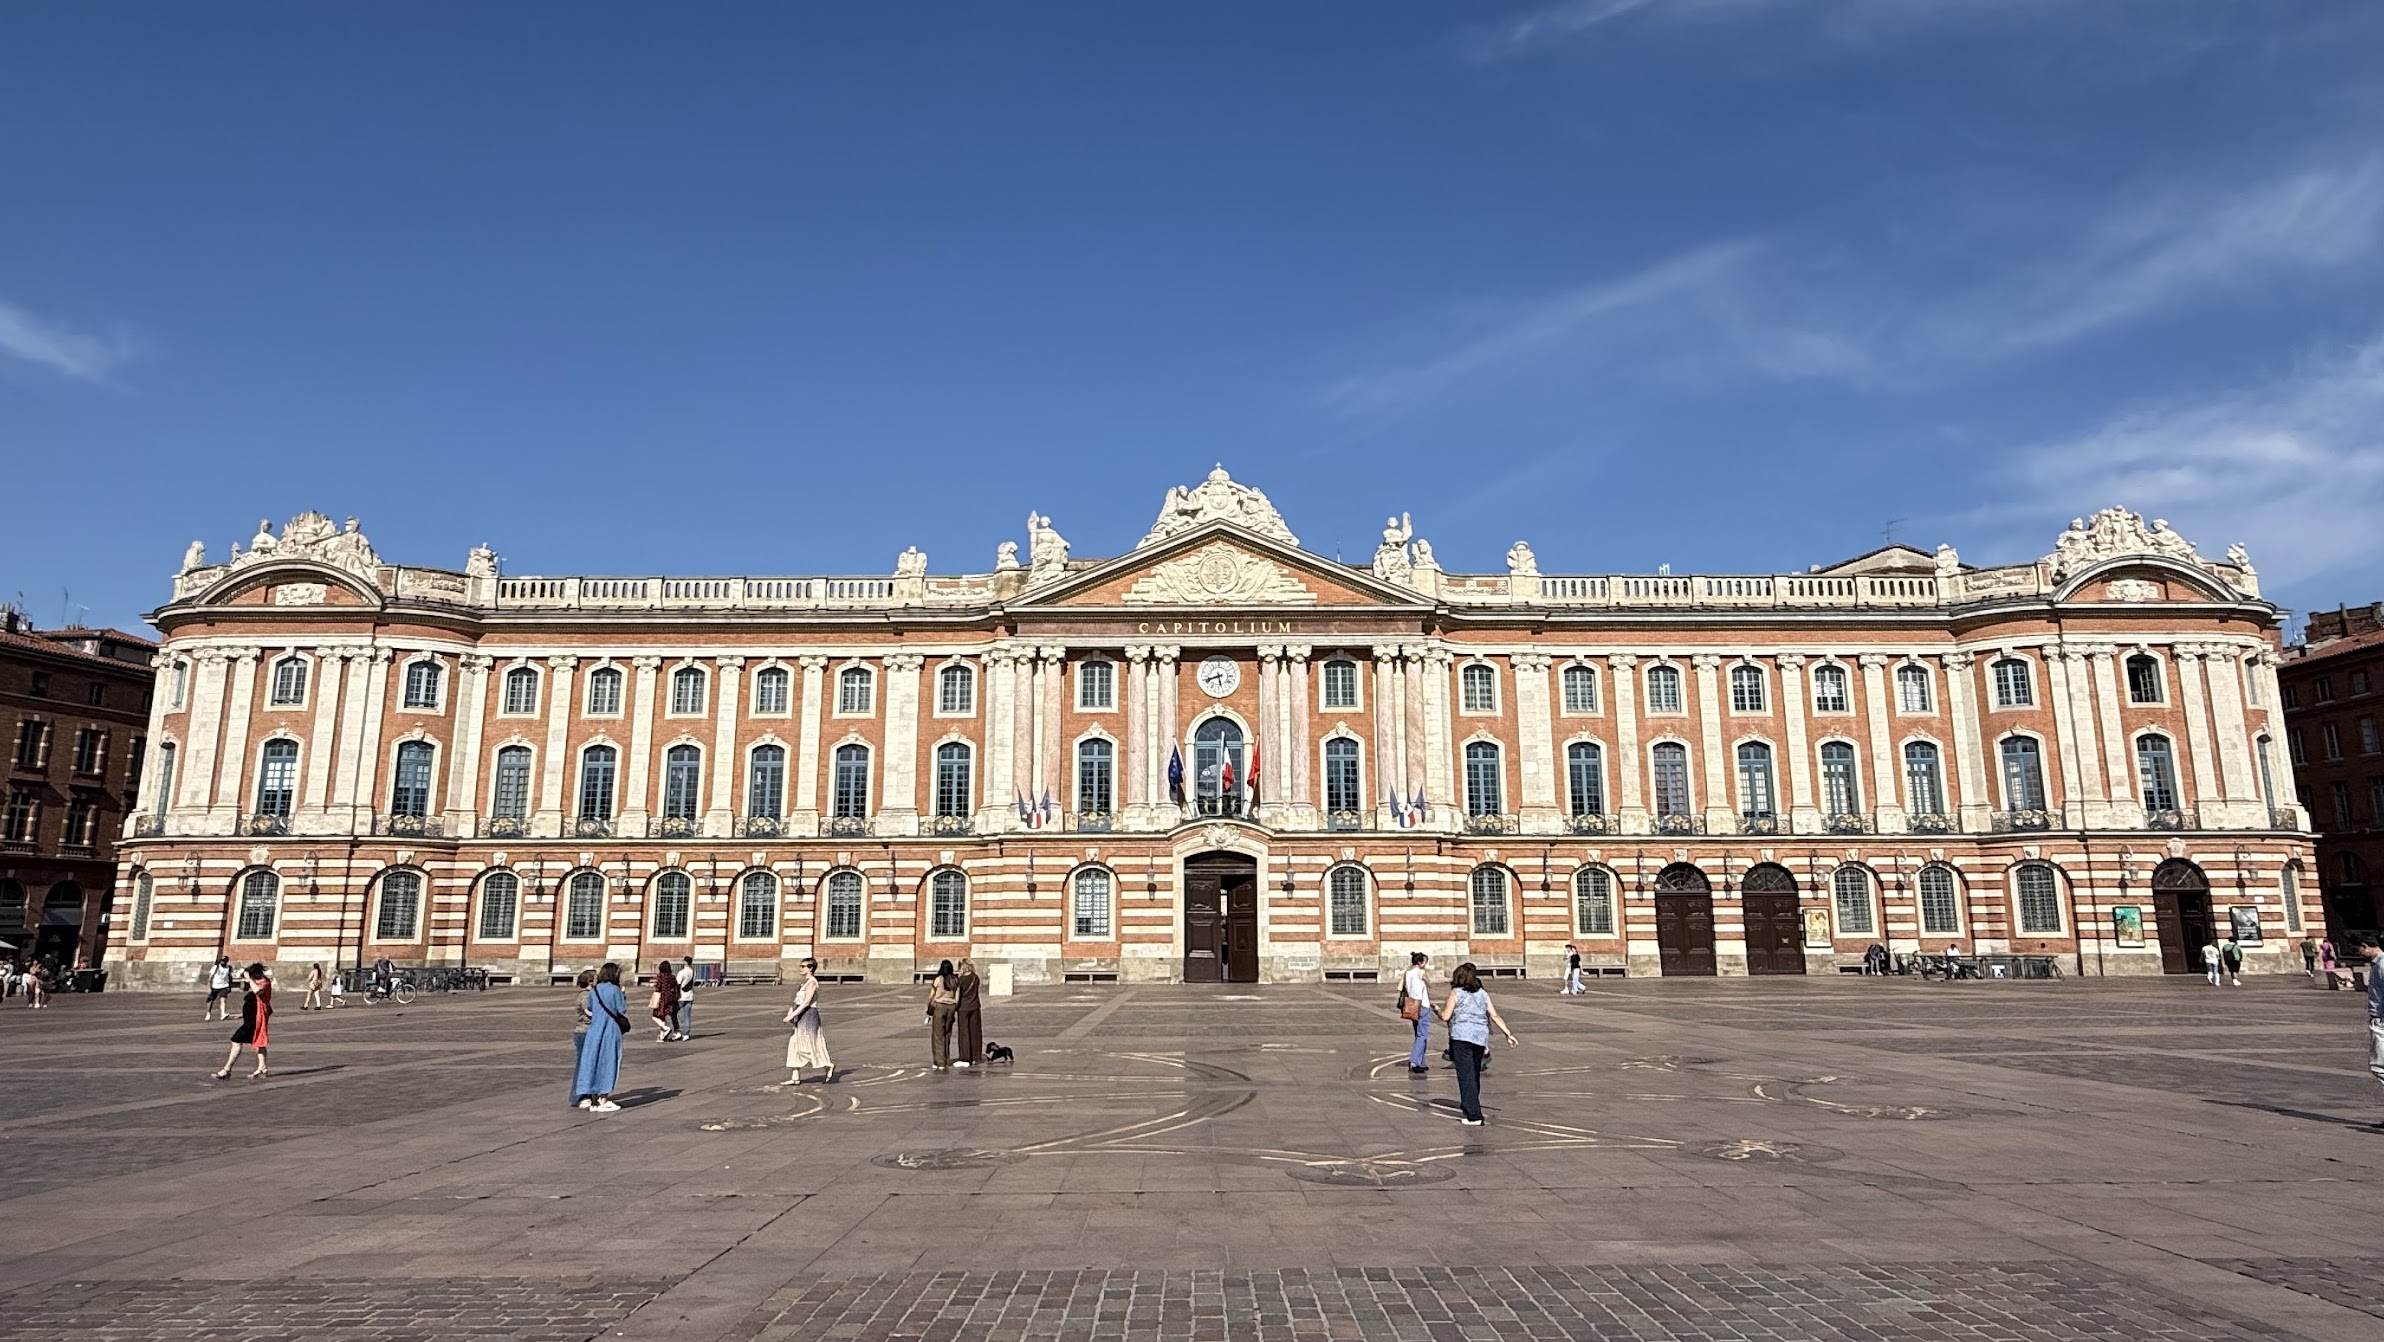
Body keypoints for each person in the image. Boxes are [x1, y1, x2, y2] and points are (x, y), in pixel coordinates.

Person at [1437, 962, 1519, 1127]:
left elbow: (1446, 1016)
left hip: (1461, 1037)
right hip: (1479, 1038)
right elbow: (1494, 1015)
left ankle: (1473, 1114)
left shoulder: (1456, 993)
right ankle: (1470, 1105)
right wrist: (1508, 1034)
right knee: (1473, 1074)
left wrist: (1436, 1010)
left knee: (1465, 1075)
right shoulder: (1483, 994)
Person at [573, 963, 630, 1112]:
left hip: (594, 1031)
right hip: (610, 1031)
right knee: (608, 1062)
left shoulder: (594, 991)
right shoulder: (615, 990)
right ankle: (603, 1099)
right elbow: (621, 1009)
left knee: (592, 1062)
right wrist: (623, 994)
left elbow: (591, 1008)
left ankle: (593, 1100)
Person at [213, 963, 272, 1079]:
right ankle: (262, 1068)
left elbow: (258, 992)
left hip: (256, 1019)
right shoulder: (258, 982)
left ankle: (227, 1070)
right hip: (251, 1018)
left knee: (236, 1040)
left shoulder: (263, 982)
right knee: (258, 1044)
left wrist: (250, 980)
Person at [783, 958, 834, 1084]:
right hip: (801, 1015)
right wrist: (792, 1010)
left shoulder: (812, 983)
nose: (801, 968)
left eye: (803, 966)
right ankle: (795, 1077)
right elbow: (798, 1001)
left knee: (807, 1045)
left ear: (810, 968)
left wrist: (792, 1015)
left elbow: (806, 1002)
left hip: (809, 1015)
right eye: (800, 966)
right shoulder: (804, 983)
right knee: (794, 1042)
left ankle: (827, 1065)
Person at [2360, 935, 2384, 1100]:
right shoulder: (2377, 965)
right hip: (2378, 1017)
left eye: (2359, 949)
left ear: (2365, 946)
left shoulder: (2382, 965)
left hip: (2381, 1020)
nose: (2359, 953)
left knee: (2379, 1065)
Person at [924, 959, 959, 1070]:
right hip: (951, 1007)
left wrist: (929, 1008)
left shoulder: (938, 980)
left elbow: (931, 996)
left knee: (938, 1035)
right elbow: (957, 997)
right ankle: (946, 1058)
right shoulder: (955, 980)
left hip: (940, 1006)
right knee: (947, 1034)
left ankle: (939, 1062)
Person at [1401, 952, 1433, 1074]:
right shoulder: (1420, 972)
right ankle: (1414, 1061)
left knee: (1418, 1034)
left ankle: (1421, 1061)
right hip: (1422, 1005)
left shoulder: (1407, 972)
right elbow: (1430, 984)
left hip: (1411, 1004)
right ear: (1420, 962)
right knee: (1422, 1035)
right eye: (1425, 962)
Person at [567, 968, 595, 1101]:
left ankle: (587, 1093)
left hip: (589, 1031)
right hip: (584, 1032)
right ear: (590, 981)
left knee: (588, 1063)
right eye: (596, 978)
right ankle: (578, 1096)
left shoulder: (591, 993)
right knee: (582, 1064)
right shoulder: (586, 995)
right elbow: (589, 1012)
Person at [954, 958, 984, 1068]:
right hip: (975, 1006)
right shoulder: (976, 978)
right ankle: (976, 1056)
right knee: (975, 1031)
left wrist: (954, 1007)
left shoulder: (960, 979)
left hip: (963, 1007)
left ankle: (965, 1057)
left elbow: (957, 995)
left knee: (964, 1033)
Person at [650, 960, 682, 1042]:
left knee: (656, 1015)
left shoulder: (661, 976)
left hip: (662, 998)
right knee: (663, 1016)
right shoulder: (672, 976)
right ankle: (661, 1036)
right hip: (671, 998)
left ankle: (665, 1028)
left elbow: (658, 987)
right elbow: (676, 986)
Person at [204, 956, 234, 1021]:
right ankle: (208, 1013)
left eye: (224, 961)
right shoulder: (216, 967)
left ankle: (223, 1013)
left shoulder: (229, 968)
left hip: (224, 986)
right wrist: (209, 988)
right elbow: (210, 978)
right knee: (210, 1001)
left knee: (223, 1000)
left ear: (226, 961)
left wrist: (230, 986)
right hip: (215, 986)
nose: (222, 962)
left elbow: (230, 977)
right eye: (221, 961)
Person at [674, 959, 697, 1040]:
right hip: (690, 995)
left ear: (685, 962)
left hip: (681, 996)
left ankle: (677, 1031)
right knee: (687, 1016)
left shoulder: (681, 972)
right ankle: (686, 1033)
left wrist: (676, 995)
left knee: (673, 1013)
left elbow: (678, 984)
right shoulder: (692, 971)